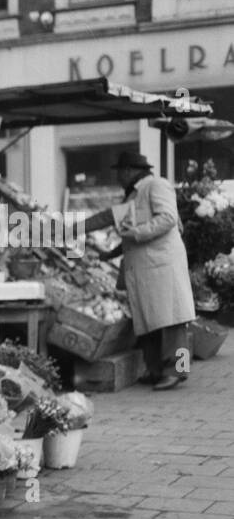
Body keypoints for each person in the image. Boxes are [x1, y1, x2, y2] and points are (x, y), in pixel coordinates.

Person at [85, 152, 195, 391]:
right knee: (151, 320)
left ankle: (179, 371)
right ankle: (156, 370)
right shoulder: (134, 195)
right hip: (146, 269)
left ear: (128, 171)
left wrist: (137, 233)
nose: (117, 178)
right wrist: (108, 252)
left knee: (173, 322)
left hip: (162, 265)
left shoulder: (156, 185)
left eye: (119, 173)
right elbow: (108, 218)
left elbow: (168, 218)